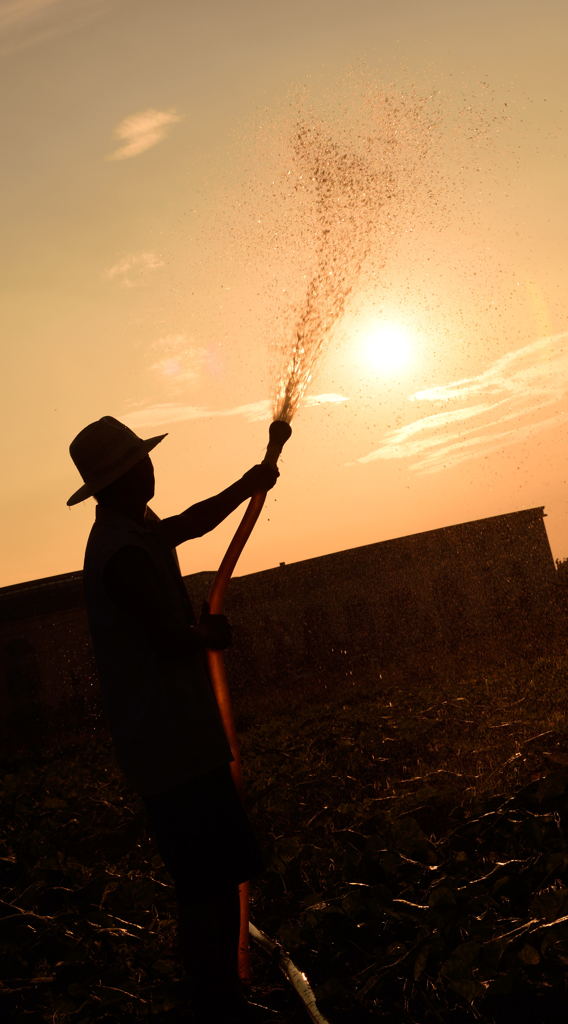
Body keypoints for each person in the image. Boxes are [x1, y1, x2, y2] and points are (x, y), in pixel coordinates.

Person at [67, 415, 279, 1023]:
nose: (151, 466)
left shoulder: (136, 530)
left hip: (180, 739)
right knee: (205, 881)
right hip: (168, 747)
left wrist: (249, 483)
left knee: (215, 873)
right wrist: (204, 633)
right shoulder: (120, 552)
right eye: (140, 461)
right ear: (120, 478)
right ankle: (216, 1000)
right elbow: (164, 638)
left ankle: (221, 995)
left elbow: (189, 524)